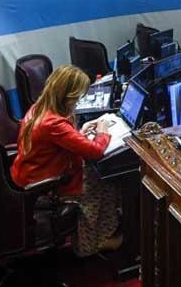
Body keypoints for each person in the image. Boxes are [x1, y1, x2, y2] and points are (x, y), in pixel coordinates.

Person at [11, 66, 122, 256]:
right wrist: (102, 133)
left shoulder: (39, 107)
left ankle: (103, 234)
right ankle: (91, 244)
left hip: (28, 175)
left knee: (102, 179)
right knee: (99, 181)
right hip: (46, 185)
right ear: (68, 96)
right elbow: (95, 152)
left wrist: (79, 133)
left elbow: (57, 142)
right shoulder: (54, 123)